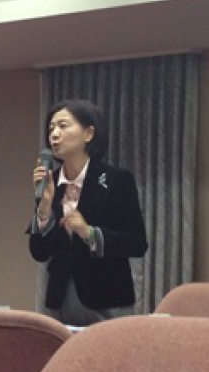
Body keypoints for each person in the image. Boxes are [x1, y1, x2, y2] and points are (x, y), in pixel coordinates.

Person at [30, 99, 148, 326]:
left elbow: (137, 243)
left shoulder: (116, 180)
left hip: (107, 298)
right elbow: (39, 252)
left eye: (63, 126)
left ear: (88, 133)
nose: (54, 134)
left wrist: (90, 233)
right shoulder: (49, 183)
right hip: (60, 301)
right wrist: (43, 210)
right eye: (51, 128)